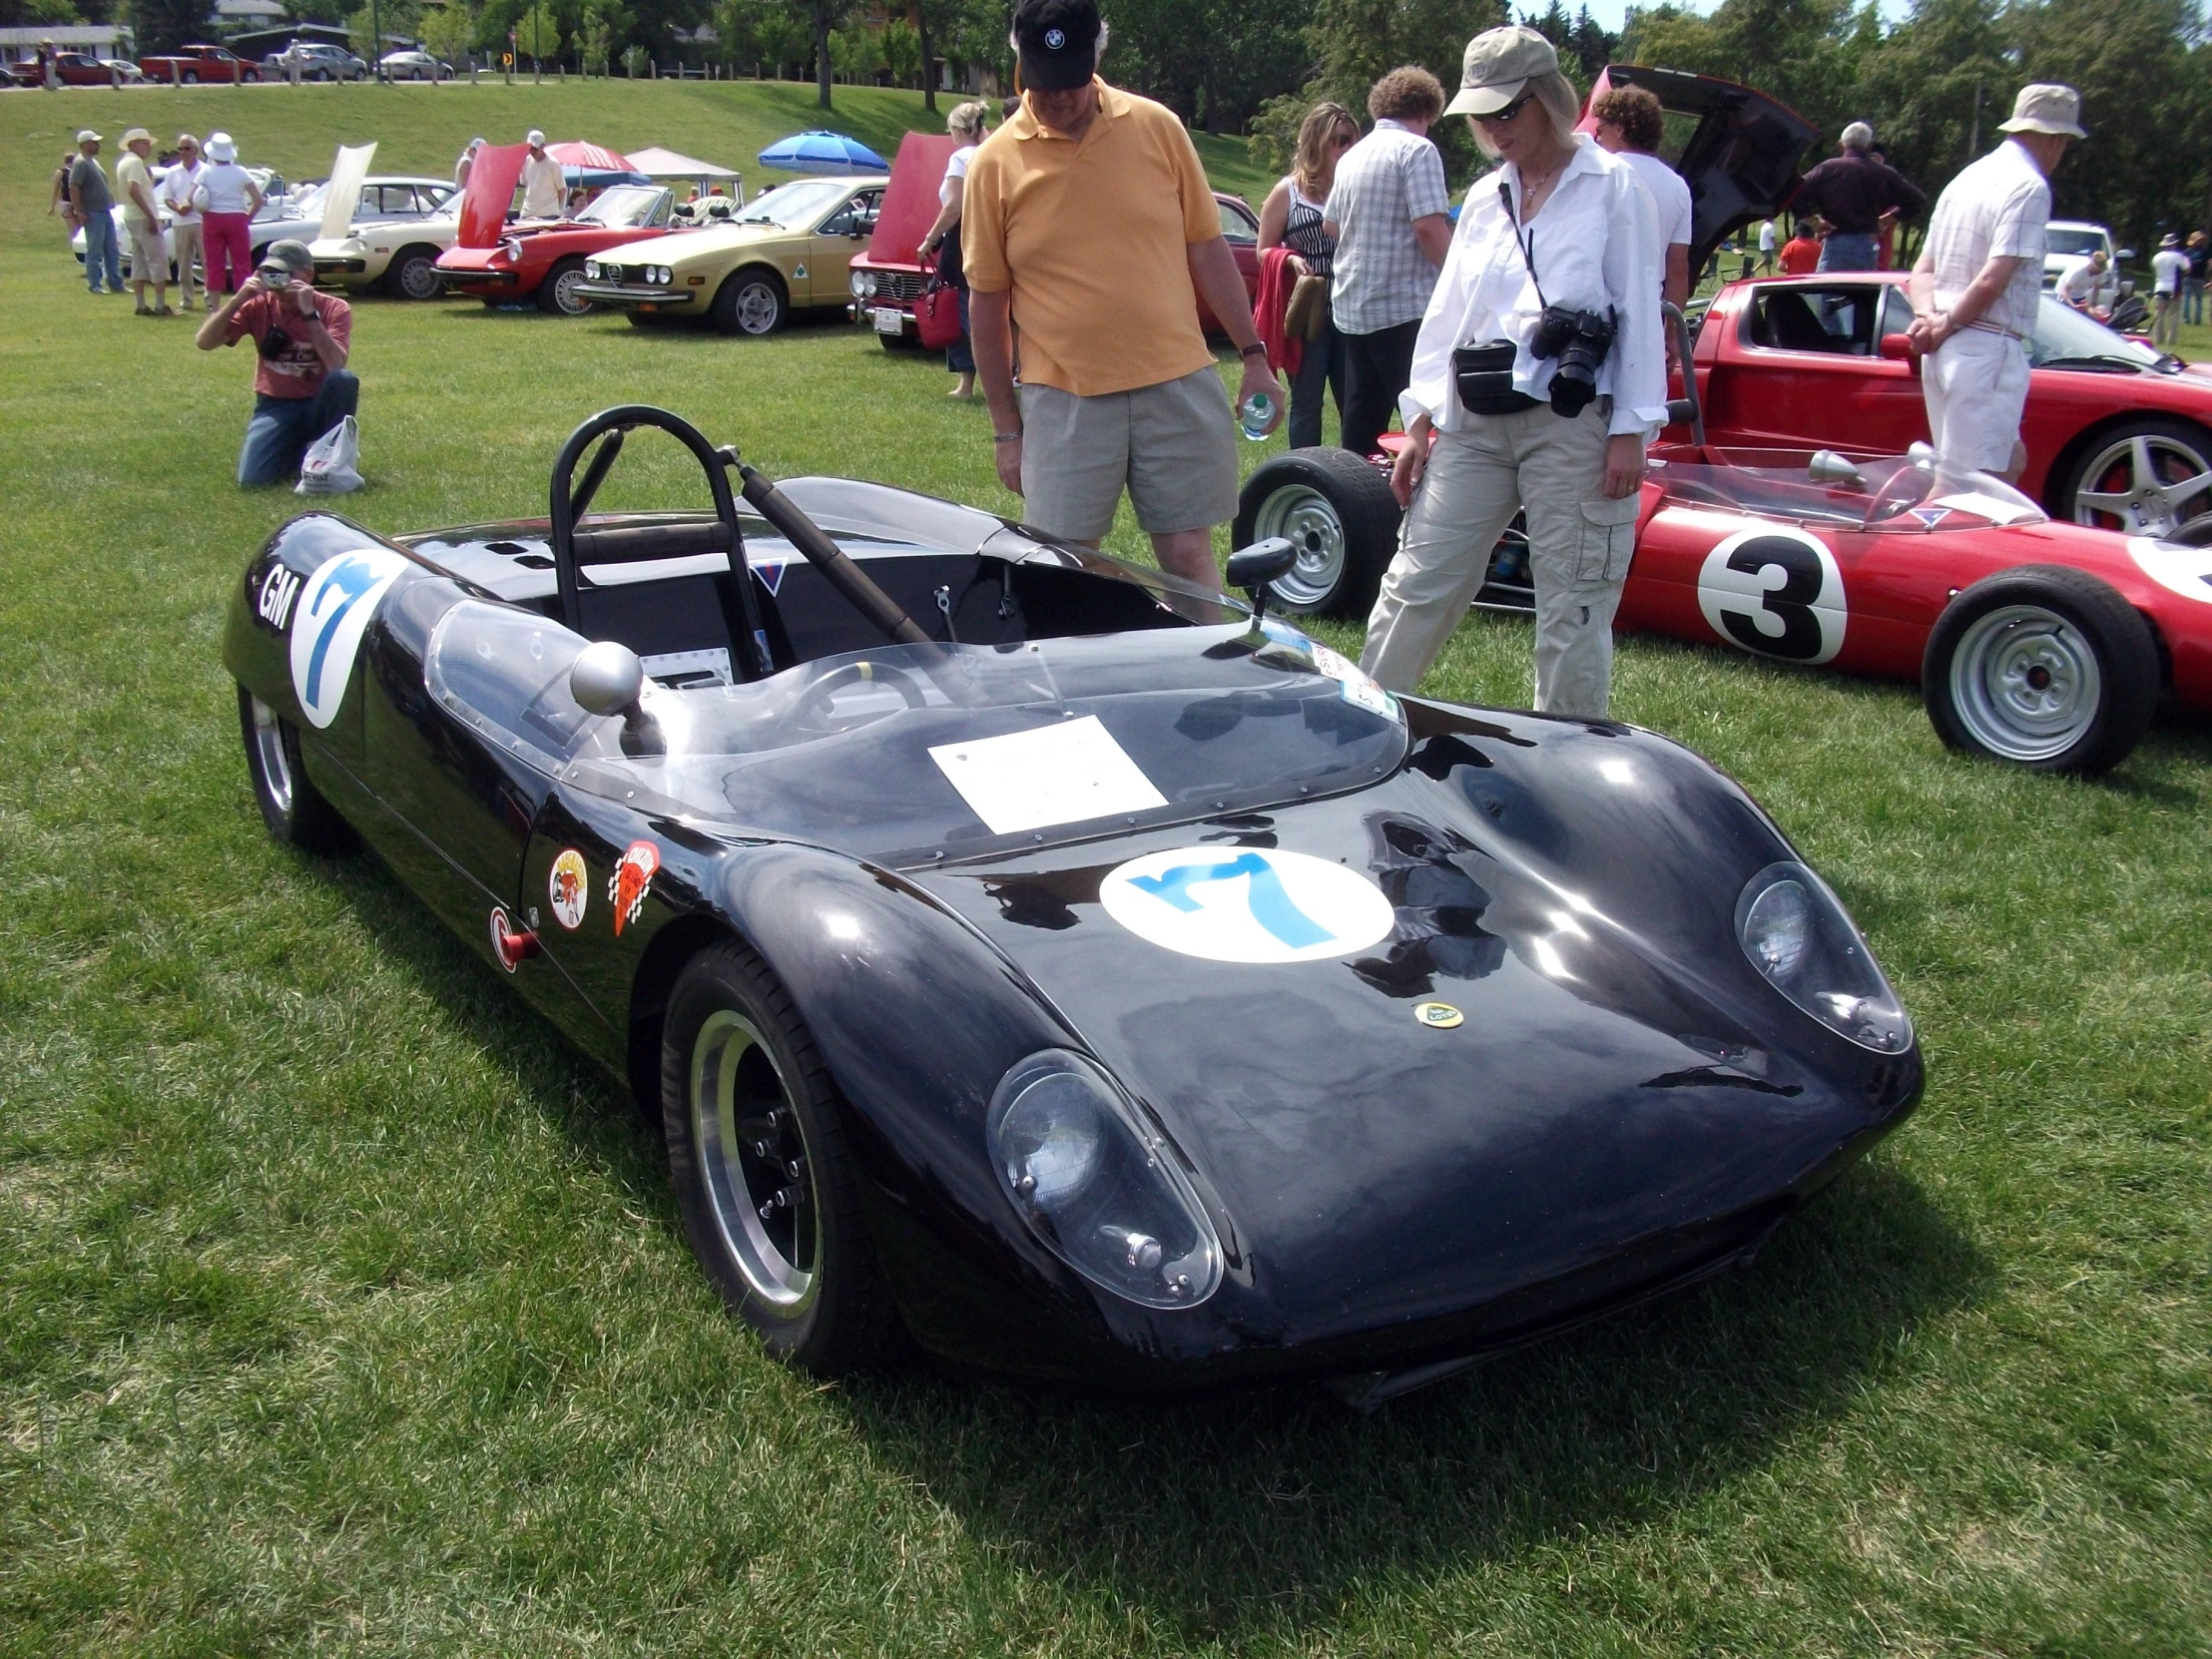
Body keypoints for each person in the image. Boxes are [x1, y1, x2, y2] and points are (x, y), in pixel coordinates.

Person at [1358, 25, 1665, 718]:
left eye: (1509, 110)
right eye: (1482, 114)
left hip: (1573, 424)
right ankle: (1366, 723)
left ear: (1547, 98)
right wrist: (1420, 420)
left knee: (1574, 602)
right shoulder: (1487, 198)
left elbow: (1641, 311)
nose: (1495, 128)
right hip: (1474, 420)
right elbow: (1451, 313)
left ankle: (1567, 761)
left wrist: (1630, 429)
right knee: (1418, 581)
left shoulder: (1615, 188)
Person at [961, 0, 1279, 592]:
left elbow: (1207, 248)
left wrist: (1255, 356)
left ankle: (1199, 683)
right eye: (1044, 83)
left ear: (1097, 59)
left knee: (1187, 555)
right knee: (1067, 567)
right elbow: (986, 303)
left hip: (1176, 379)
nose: (1058, 97)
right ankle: (1081, 683)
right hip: (1065, 398)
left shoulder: (1157, 126)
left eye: (1073, 82)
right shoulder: (993, 164)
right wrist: (1007, 429)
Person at [1908, 83, 2081, 484]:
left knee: (2009, 462)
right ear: (2055, 140)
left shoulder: (1965, 179)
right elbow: (1992, 279)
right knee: (1972, 489)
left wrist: (1928, 318)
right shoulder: (2029, 186)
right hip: (1984, 345)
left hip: (1946, 348)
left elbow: (1923, 270)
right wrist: (1945, 323)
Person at [1324, 67, 1453, 457]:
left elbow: (1330, 224)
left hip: (1353, 309)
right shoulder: (1417, 150)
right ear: (1426, 111)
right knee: (1431, 422)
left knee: (1362, 424)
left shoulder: (1352, 156)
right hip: (1404, 310)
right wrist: (1460, 281)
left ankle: (1359, 504)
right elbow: (1430, 228)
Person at [196, 240, 357, 487]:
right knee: (252, 481)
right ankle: (297, 452)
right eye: (270, 272)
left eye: (285, 274)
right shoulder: (257, 305)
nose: (276, 281)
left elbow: (337, 364)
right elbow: (204, 342)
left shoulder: (334, 307)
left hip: (318, 403)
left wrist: (309, 313)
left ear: (308, 274)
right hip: (275, 406)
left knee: (343, 381)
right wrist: (238, 299)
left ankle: (329, 459)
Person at [1258, 102, 1360, 447]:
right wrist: (1289, 260)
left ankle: (1360, 481)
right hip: (1309, 307)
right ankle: (1305, 475)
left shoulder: (1357, 187)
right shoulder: (1288, 191)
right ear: (1317, 141)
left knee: (1356, 402)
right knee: (1307, 402)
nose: (1346, 149)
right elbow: (1263, 250)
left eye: (1351, 141)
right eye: (1339, 140)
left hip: (1353, 305)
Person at [1591, 83, 1690, 351]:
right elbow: (1678, 271)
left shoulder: (1598, 173)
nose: (1597, 139)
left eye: (1601, 130)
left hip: (1593, 315)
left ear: (1620, 128)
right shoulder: (1678, 186)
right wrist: (1672, 338)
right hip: (1648, 318)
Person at [916, 100, 991, 400]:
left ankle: (972, 380)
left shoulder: (961, 157)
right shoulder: (992, 151)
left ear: (959, 131)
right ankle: (973, 380)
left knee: (955, 309)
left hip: (961, 242)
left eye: (950, 131)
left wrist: (929, 239)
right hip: (988, 237)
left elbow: (953, 206)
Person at [1794, 122, 1925, 273]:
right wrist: (1885, 220)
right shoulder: (1884, 173)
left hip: (1837, 239)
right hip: (1868, 244)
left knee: (1828, 291)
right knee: (1860, 293)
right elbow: (1916, 201)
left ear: (1840, 145)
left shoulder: (1827, 169)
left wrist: (1814, 222)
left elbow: (1794, 193)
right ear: (1869, 146)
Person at [195, 133, 264, 295]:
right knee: (241, 263)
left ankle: (215, 307)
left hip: (212, 218)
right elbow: (258, 200)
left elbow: (192, 196)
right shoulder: (241, 172)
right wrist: (248, 217)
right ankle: (243, 303)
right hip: (237, 217)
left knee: (213, 263)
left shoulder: (206, 172)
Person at [115, 128, 170, 316]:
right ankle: (160, 304)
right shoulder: (136, 163)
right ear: (135, 144)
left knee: (138, 259)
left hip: (130, 216)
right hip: (141, 216)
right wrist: (150, 216)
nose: (148, 147)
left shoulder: (123, 163)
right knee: (158, 259)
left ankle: (140, 303)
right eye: (145, 143)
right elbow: (133, 189)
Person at [70, 132, 122, 295]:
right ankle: (95, 284)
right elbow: (74, 187)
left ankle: (115, 282)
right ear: (85, 144)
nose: (98, 145)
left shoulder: (92, 162)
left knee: (111, 249)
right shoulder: (80, 163)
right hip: (93, 212)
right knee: (94, 250)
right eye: (94, 143)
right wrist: (79, 211)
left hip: (104, 211)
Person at [161, 134, 207, 311]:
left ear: (195, 150)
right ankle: (186, 298)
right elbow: (167, 197)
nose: (183, 152)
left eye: (186, 148)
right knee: (183, 263)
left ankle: (209, 296)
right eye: (180, 149)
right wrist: (178, 208)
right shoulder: (173, 172)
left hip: (201, 220)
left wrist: (193, 205)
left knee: (206, 261)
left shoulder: (205, 170)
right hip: (180, 222)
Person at [2150, 233, 2186, 347]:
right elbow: (2186, 268)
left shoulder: (2157, 257)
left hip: (2160, 287)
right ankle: (2171, 339)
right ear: (2174, 244)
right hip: (2173, 288)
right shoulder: (2177, 256)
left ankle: (2158, 337)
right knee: (2174, 315)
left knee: (2160, 314)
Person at [2054, 248, 2112, 316]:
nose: (2097, 273)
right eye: (2096, 270)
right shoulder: (2079, 270)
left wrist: (2094, 304)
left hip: (2080, 294)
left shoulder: (2101, 272)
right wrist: (2073, 306)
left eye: (2100, 271)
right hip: (2065, 296)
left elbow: (2096, 289)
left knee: (2086, 316)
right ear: (2092, 265)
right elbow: (2064, 291)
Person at [520, 131, 563, 219]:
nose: (532, 151)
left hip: (548, 215)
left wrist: (555, 208)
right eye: (530, 148)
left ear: (543, 146)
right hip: (527, 213)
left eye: (535, 148)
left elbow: (562, 189)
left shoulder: (553, 163)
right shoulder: (526, 161)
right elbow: (524, 183)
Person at [2184, 230, 2207, 327]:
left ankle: (2191, 319)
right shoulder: (2205, 252)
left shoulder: (2187, 252)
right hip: (2194, 277)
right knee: (2193, 300)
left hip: (2194, 277)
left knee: (2192, 299)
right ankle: (2192, 319)